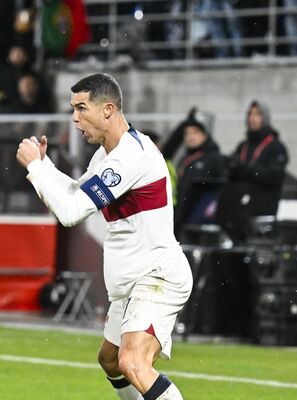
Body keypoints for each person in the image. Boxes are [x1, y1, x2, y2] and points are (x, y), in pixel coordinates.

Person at [16, 73, 191, 400]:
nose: (75, 118)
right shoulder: (107, 156)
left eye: (82, 108)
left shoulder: (129, 158)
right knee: (110, 360)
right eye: (73, 109)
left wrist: (35, 170)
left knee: (133, 362)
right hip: (131, 283)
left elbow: (70, 213)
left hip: (157, 276)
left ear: (108, 109)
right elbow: (75, 193)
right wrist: (45, 166)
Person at [216, 100, 288, 244]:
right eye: (250, 114)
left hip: (262, 213)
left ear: (265, 118)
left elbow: (274, 176)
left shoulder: (275, 147)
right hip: (238, 213)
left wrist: (246, 168)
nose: (252, 118)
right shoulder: (244, 145)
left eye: (257, 114)